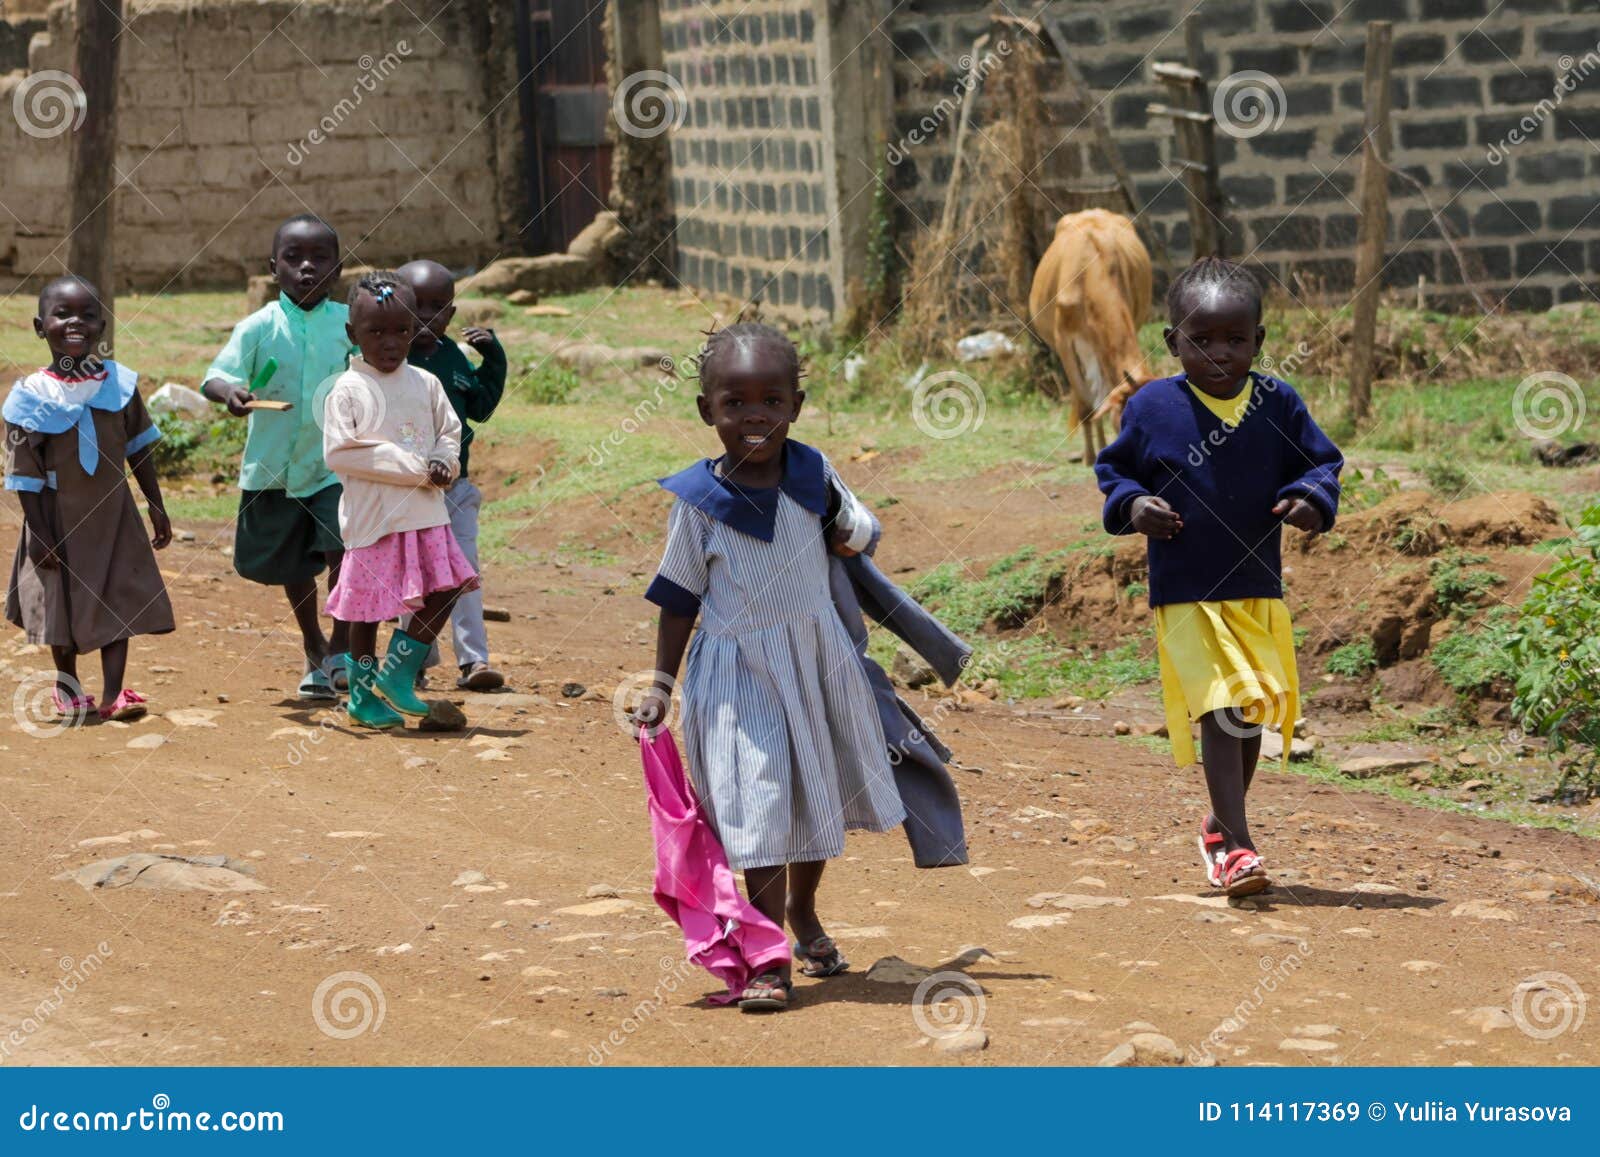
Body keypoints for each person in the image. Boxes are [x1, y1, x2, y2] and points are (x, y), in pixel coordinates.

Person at [633, 323, 905, 1012]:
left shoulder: (814, 476)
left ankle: (804, 912)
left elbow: (863, 532)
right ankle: (765, 951)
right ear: (706, 411)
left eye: (771, 400)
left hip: (814, 662)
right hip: (737, 675)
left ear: (796, 405)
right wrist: (662, 683)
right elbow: (677, 599)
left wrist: (846, 525)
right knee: (757, 806)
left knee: (813, 799)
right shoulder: (699, 502)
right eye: (735, 402)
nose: (754, 414)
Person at [1095, 257, 1343, 897]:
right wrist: (1133, 506)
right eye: (1200, 340)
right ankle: (1238, 846)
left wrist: (1312, 502)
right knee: (1219, 705)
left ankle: (1217, 827)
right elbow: (1117, 472)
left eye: (1236, 339)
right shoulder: (1152, 407)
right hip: (1186, 587)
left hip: (1256, 584)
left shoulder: (1277, 402)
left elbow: (1320, 464)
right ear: (1173, 340)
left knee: (1250, 709)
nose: (1218, 354)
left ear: (1259, 340)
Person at [4, 276, 173, 723]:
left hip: (114, 512)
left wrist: (155, 504)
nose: (75, 323)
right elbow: (25, 477)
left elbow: (139, 449)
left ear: (102, 326)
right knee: (59, 603)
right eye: (63, 314)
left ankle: (113, 693)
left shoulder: (119, 385)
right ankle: (68, 688)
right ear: (41, 327)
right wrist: (40, 535)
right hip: (55, 517)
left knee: (118, 595)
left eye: (88, 315)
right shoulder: (28, 398)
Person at [202, 214, 353, 700]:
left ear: (338, 270)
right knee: (293, 566)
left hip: (336, 465)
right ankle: (314, 644)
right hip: (274, 470)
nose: (307, 268)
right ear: (274, 268)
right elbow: (215, 376)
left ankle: (343, 650)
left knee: (343, 550)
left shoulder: (351, 323)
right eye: (294, 258)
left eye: (320, 259)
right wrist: (231, 391)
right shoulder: (258, 326)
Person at [321, 272, 479, 729]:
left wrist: (445, 463)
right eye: (376, 332)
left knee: (448, 587)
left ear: (416, 330)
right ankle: (361, 696)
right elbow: (341, 451)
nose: (390, 343)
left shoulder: (425, 382)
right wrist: (413, 466)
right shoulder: (347, 390)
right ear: (353, 334)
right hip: (375, 521)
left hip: (425, 514)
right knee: (366, 611)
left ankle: (397, 674)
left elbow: (450, 432)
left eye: (401, 331)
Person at [395, 259, 507, 691]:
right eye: (415, 305)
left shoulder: (452, 355)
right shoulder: (390, 358)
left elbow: (480, 406)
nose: (426, 316)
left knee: (464, 572)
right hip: (408, 491)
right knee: (413, 576)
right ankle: (413, 660)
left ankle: (474, 662)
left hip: (456, 489)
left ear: (452, 315)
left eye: (438, 307)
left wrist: (493, 357)